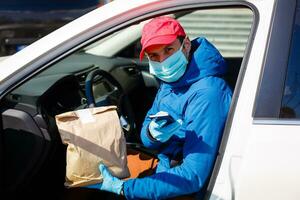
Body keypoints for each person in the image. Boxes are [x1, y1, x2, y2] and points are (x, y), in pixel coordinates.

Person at [96, 16, 232, 199]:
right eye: (154, 55)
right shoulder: (172, 80)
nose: (163, 61)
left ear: (186, 45)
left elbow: (193, 176)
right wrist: (152, 134)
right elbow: (147, 129)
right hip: (166, 164)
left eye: (168, 50)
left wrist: (125, 188)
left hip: (183, 185)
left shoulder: (207, 93)